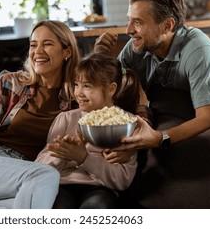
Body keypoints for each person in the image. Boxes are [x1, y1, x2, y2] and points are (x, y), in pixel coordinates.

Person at [0, 20, 81, 209]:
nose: (38, 51)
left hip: (25, 179)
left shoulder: (77, 99)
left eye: (47, 44)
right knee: (47, 175)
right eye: (33, 44)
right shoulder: (11, 83)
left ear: (67, 52)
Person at [95, 0, 210, 151]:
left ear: (167, 25)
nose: (128, 30)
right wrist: (99, 56)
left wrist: (159, 138)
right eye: (129, 20)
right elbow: (108, 88)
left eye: (138, 22)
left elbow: (209, 118)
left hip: (188, 118)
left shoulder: (199, 50)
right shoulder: (136, 46)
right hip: (153, 117)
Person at [36, 51, 151, 208]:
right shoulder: (66, 119)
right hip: (62, 185)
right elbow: (38, 168)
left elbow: (123, 180)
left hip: (100, 189)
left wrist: (84, 158)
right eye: (76, 84)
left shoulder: (127, 123)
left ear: (111, 89)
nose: (78, 93)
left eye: (87, 86)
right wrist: (62, 154)